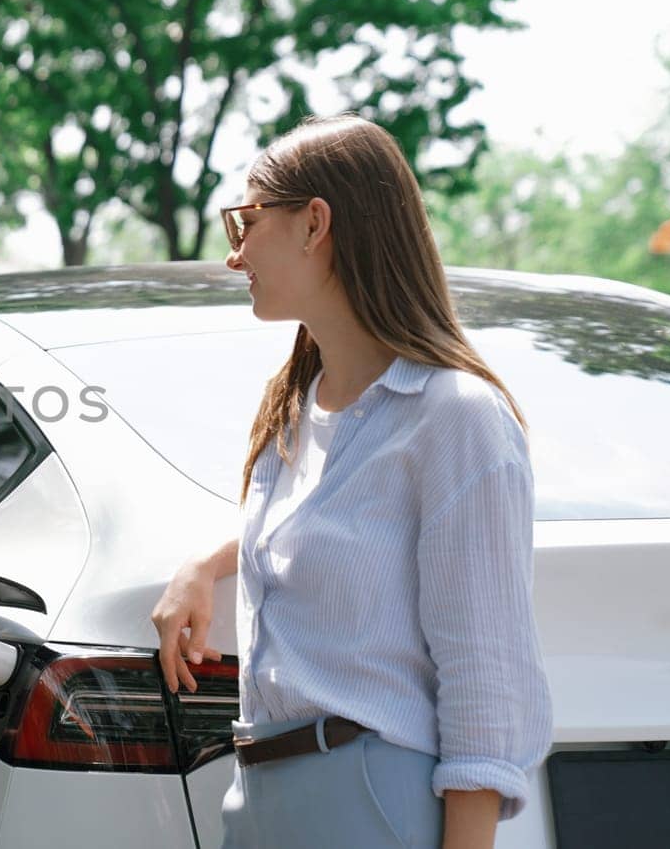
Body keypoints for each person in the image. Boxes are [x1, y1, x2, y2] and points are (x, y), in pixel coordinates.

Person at [150, 115, 551, 849]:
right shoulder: (295, 406)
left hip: (368, 798)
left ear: (314, 224)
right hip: (262, 796)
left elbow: (485, 685)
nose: (233, 255)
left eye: (245, 221)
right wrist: (205, 564)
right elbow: (341, 524)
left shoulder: (454, 417)